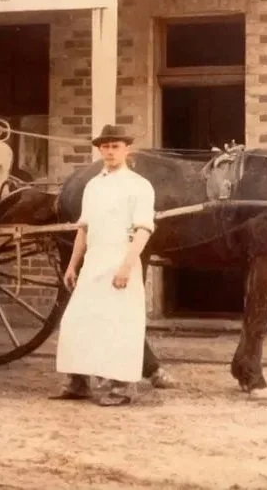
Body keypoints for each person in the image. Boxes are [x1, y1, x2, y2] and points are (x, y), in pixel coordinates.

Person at [51, 124, 157, 407]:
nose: (110, 151)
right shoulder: (94, 185)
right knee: (78, 320)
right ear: (99, 150)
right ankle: (77, 382)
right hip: (94, 261)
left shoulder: (139, 185)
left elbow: (144, 230)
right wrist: (73, 265)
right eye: (105, 147)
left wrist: (126, 267)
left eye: (115, 146)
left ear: (127, 150)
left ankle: (121, 388)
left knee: (119, 324)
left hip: (122, 259)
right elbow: (83, 230)